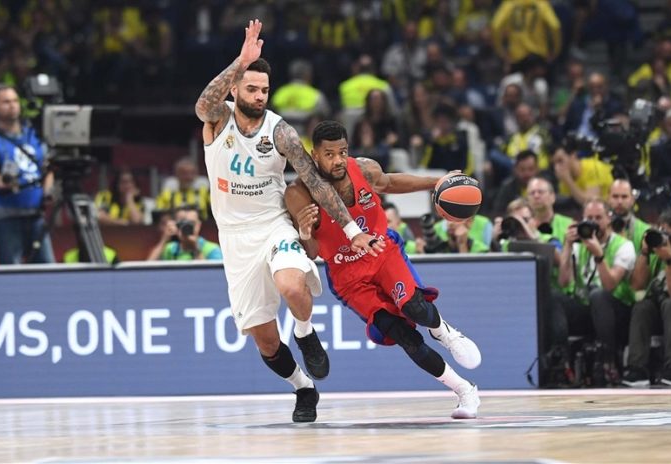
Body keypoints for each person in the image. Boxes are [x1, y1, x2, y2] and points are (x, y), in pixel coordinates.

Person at [194, 20, 381, 423]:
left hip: (274, 224)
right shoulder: (218, 119)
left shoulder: (281, 132)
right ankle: (303, 387)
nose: (259, 96)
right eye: (251, 88)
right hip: (235, 237)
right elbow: (202, 106)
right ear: (234, 89)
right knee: (264, 340)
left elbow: (316, 183)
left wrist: (352, 230)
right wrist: (240, 61)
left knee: (293, 286)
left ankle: (304, 330)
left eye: (264, 90)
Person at [285, 120, 481, 419]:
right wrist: (304, 231)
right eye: (329, 154)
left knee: (415, 308)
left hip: (382, 252)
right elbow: (311, 253)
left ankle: (445, 332)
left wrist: (437, 182)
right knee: (404, 337)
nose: (338, 160)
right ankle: (465, 390)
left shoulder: (363, 168)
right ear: (315, 155)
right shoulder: (298, 193)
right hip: (348, 276)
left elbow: (389, 183)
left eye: (342, 152)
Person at [555, 199, 636, 386]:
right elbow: (563, 282)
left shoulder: (624, 246)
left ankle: (608, 360)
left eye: (598, 218)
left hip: (618, 311)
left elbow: (609, 285)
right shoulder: (578, 246)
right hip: (589, 310)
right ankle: (561, 359)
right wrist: (567, 246)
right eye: (589, 218)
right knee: (554, 297)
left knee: (598, 295)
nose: (593, 222)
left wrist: (599, 255)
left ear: (608, 219)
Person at [0, 84, 54, 264]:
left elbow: (48, 168)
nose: (12, 105)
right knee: (11, 269)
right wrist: (2, 182)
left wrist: (47, 192)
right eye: (5, 102)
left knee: (48, 267)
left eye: (14, 101)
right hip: (6, 218)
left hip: (35, 215)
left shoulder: (35, 137)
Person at [623, 210, 671, 387]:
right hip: (658, 307)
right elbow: (637, 285)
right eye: (664, 234)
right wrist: (645, 253)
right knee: (642, 306)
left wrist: (670, 261)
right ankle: (637, 368)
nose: (668, 240)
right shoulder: (656, 250)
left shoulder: (666, 254)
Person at [146, 205, 222, 261]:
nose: (187, 227)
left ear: (199, 225)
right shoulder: (171, 249)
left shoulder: (212, 249)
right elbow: (148, 269)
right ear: (175, 224)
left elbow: (211, 276)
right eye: (182, 223)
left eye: (191, 223)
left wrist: (196, 249)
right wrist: (164, 239)